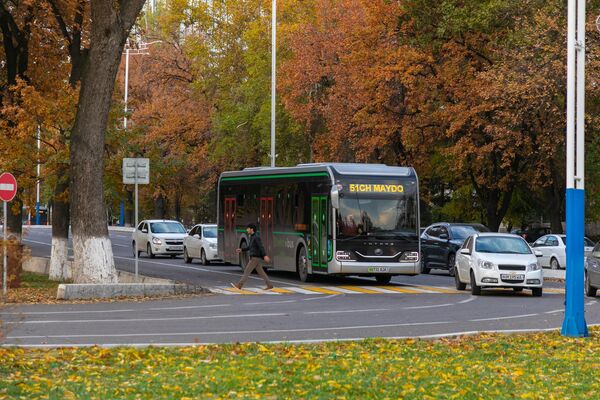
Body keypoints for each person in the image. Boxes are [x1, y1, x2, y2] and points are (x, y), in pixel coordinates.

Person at [231, 223, 273, 290]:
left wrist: (264, 255)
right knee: (261, 273)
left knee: (247, 271)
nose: (247, 230)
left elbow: (261, 247)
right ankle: (269, 285)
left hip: (255, 258)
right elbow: (249, 247)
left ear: (251, 229)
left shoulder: (256, 237)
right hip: (255, 258)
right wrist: (241, 249)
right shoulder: (252, 237)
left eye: (248, 229)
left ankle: (239, 285)